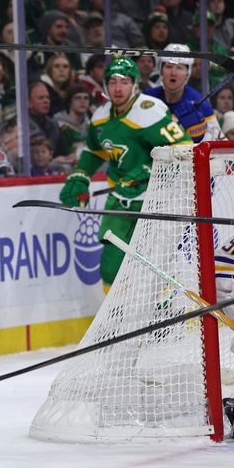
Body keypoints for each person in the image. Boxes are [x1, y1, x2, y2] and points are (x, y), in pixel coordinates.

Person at [59, 57, 193, 292]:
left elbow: (185, 150)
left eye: (124, 81)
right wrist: (81, 174)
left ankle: (163, 323)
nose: (117, 88)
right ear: (105, 86)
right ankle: (116, 326)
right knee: (110, 268)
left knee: (156, 270)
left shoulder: (149, 112)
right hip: (121, 201)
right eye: (112, 82)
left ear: (135, 86)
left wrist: (150, 171)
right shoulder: (100, 115)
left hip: (156, 202)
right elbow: (94, 149)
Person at [143, 44, 221, 143]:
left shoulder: (200, 103)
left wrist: (200, 137)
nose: (173, 73)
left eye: (179, 68)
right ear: (161, 70)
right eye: (169, 66)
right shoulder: (147, 98)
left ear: (187, 73)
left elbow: (219, 143)